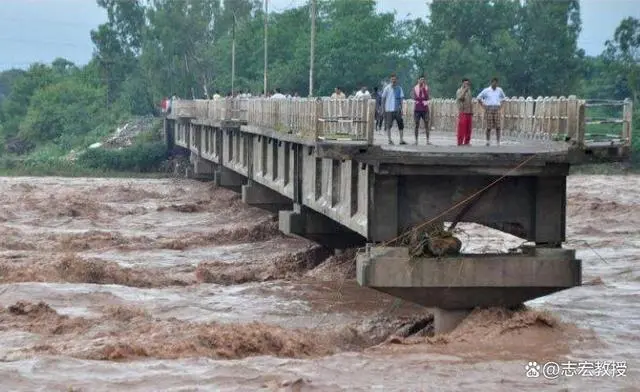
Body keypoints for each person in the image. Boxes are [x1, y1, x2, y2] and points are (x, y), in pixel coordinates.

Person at [477, 77, 506, 146]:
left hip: (497, 109)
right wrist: (483, 106)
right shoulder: (486, 90)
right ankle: (488, 141)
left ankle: (498, 141)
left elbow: (504, 98)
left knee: (498, 126)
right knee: (488, 126)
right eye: (494, 82)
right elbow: (478, 98)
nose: (495, 84)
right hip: (489, 109)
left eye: (496, 83)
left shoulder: (499, 90)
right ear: (491, 82)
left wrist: (501, 106)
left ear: (497, 83)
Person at [381, 73, 406, 145]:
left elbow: (401, 99)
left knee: (400, 124)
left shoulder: (399, 88)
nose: (393, 80)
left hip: (397, 109)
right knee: (388, 125)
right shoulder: (387, 88)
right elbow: (383, 99)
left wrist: (402, 108)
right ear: (390, 80)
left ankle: (401, 140)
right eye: (392, 79)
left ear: (397, 80)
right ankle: (389, 140)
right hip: (388, 109)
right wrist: (383, 109)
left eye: (395, 79)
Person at [411, 76, 430, 145]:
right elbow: (414, 97)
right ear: (418, 80)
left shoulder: (426, 87)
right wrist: (420, 97)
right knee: (416, 124)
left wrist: (423, 89)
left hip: (425, 108)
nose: (422, 81)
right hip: (417, 108)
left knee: (427, 124)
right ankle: (416, 141)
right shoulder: (415, 88)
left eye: (423, 80)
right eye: (421, 79)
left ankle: (427, 140)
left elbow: (427, 97)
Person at [456, 78, 473, 146]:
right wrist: (464, 91)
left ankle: (467, 142)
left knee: (468, 128)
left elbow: (470, 101)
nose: (466, 85)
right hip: (462, 111)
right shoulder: (459, 90)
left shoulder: (469, 91)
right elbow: (460, 98)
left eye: (467, 84)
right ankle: (460, 142)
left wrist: (472, 110)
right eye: (465, 83)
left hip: (469, 112)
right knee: (462, 128)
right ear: (462, 83)